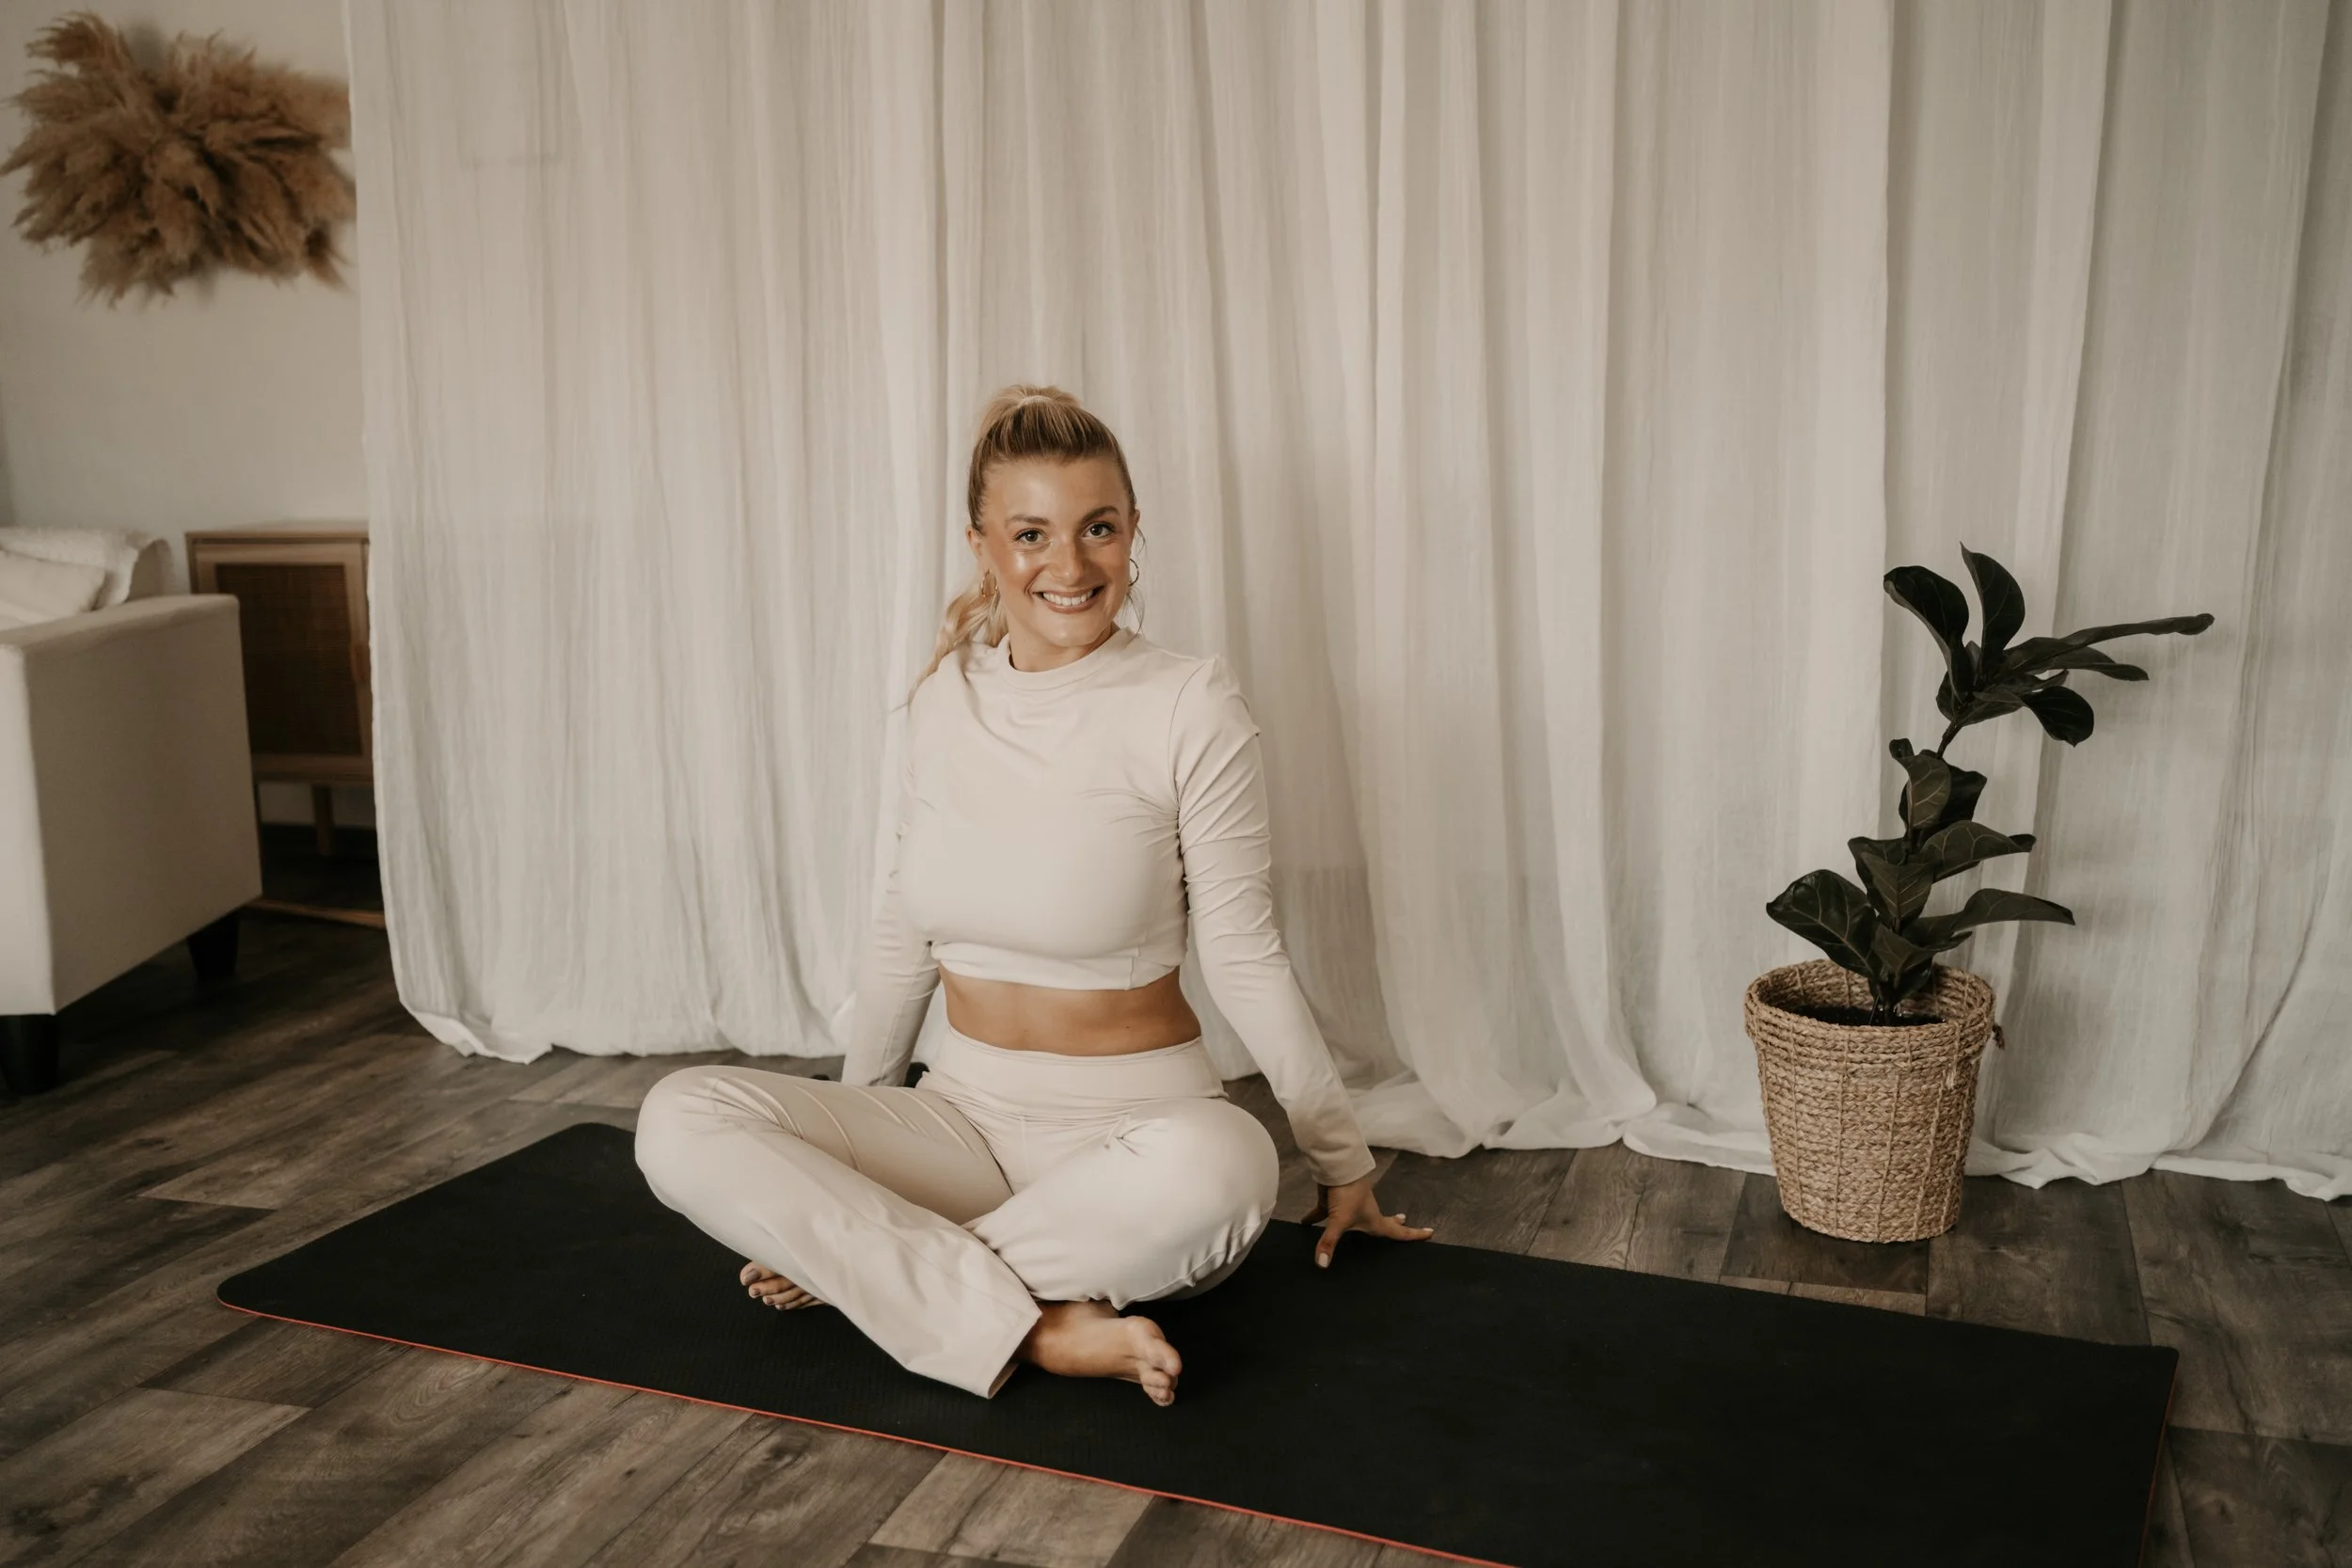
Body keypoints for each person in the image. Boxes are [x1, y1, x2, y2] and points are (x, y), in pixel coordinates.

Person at [635, 385, 1431, 1405]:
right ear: (981, 545)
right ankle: (1037, 1320)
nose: (1070, 564)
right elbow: (898, 938)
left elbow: (1242, 949)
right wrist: (851, 1130)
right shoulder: (940, 700)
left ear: (1132, 530)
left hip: (1131, 1138)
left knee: (1228, 1163)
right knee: (681, 1114)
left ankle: (881, 1279)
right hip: (955, 1123)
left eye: (1098, 527)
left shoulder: (1188, 701)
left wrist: (1338, 1155)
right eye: (1032, 533)